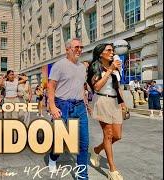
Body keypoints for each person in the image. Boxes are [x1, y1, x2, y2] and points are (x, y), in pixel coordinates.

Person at [47, 38, 89, 179]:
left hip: (79, 107)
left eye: (80, 47)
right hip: (62, 105)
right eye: (76, 47)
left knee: (83, 143)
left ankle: (82, 176)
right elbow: (51, 86)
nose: (79, 50)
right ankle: (53, 158)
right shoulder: (59, 65)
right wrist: (52, 106)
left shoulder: (82, 67)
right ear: (67, 49)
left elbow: (81, 87)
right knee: (60, 140)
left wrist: (85, 103)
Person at [87, 43, 127, 180]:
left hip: (115, 102)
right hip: (102, 101)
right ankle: (112, 170)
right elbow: (97, 87)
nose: (112, 52)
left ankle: (96, 150)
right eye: (108, 50)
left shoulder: (115, 67)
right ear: (100, 53)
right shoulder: (95, 67)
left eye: (112, 50)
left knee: (117, 136)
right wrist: (110, 70)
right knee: (108, 134)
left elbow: (118, 87)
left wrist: (122, 103)